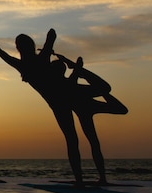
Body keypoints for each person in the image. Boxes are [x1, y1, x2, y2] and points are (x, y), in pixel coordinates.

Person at [0, 27, 87, 186]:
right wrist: (50, 36)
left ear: (18, 48)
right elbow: (51, 36)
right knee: (77, 137)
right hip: (70, 93)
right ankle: (82, 178)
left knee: (72, 139)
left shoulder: (22, 65)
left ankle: (80, 179)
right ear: (31, 45)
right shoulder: (42, 58)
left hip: (58, 102)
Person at [53, 54, 128, 184]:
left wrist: (72, 64)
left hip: (85, 102)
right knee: (93, 141)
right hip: (82, 106)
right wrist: (75, 66)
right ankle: (98, 178)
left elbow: (74, 77)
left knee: (109, 95)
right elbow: (73, 79)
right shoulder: (60, 84)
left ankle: (100, 178)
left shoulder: (62, 82)